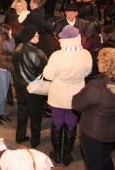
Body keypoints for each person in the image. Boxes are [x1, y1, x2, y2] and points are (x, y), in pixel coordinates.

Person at [72, 48, 115, 170]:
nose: (97, 62)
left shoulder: (98, 86)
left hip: (93, 133)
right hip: (114, 131)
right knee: (105, 157)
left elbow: (77, 104)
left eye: (100, 61)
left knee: (94, 164)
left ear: (106, 65)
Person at [43, 25, 92, 166]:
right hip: (76, 96)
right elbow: (87, 72)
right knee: (71, 125)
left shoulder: (57, 56)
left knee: (57, 123)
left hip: (58, 95)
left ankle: (57, 154)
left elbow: (48, 75)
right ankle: (66, 156)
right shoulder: (85, 54)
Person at [12, 25, 48, 148]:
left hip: (20, 87)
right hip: (34, 90)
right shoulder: (38, 53)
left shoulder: (17, 49)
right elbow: (46, 73)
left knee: (22, 113)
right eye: (36, 35)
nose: (39, 36)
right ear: (30, 37)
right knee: (35, 117)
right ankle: (35, 141)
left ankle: (20, 136)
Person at [0, 24, 15, 125]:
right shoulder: (2, 42)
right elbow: (11, 50)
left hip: (7, 68)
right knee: (3, 94)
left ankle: (1, 113)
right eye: (10, 31)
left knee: (2, 93)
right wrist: (11, 39)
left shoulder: (3, 41)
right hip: (0, 69)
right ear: (6, 32)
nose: (11, 32)